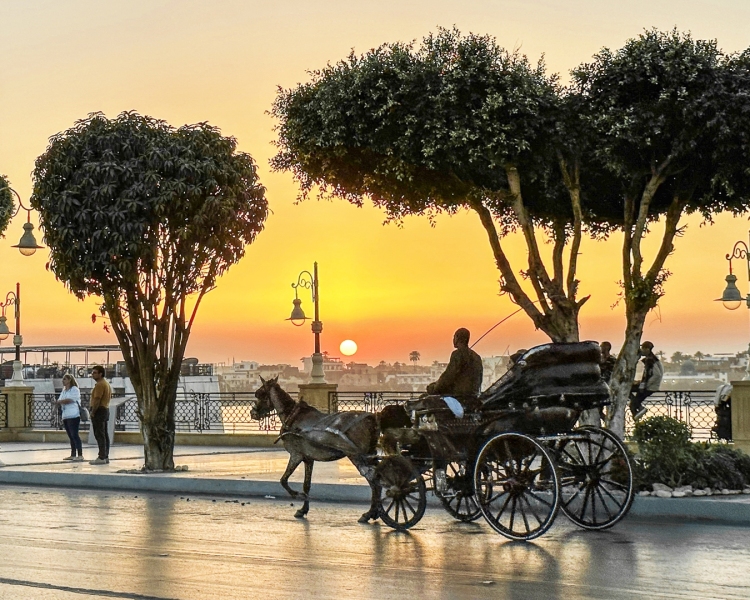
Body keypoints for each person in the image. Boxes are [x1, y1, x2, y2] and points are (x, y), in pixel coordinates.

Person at [426, 328, 483, 414]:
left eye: (454, 337)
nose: (453, 340)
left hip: (458, 397)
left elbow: (448, 377)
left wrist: (434, 388)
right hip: (473, 396)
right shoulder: (477, 357)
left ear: (458, 338)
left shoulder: (457, 354)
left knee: (424, 400)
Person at [629, 341, 663, 421]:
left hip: (649, 387)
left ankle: (640, 411)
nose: (641, 350)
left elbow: (657, 375)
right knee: (633, 404)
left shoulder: (651, 360)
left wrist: (646, 385)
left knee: (632, 403)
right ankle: (639, 412)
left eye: (643, 348)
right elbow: (648, 375)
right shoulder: (651, 359)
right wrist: (639, 382)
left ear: (647, 349)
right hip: (647, 386)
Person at [55, 373, 83, 461]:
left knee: (75, 434)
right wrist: (58, 402)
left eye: (64, 379)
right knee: (70, 435)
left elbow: (70, 400)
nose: (63, 381)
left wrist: (60, 402)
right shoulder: (64, 391)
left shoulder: (74, 389)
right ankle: (73, 454)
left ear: (69, 380)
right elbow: (60, 400)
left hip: (73, 415)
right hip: (65, 415)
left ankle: (80, 454)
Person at [89, 365, 112, 465]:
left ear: (100, 374)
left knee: (99, 434)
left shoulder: (100, 385)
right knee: (104, 434)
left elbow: (97, 399)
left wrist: (93, 412)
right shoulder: (106, 383)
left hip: (99, 410)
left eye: (95, 372)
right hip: (105, 409)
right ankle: (105, 456)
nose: (92, 374)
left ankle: (101, 456)